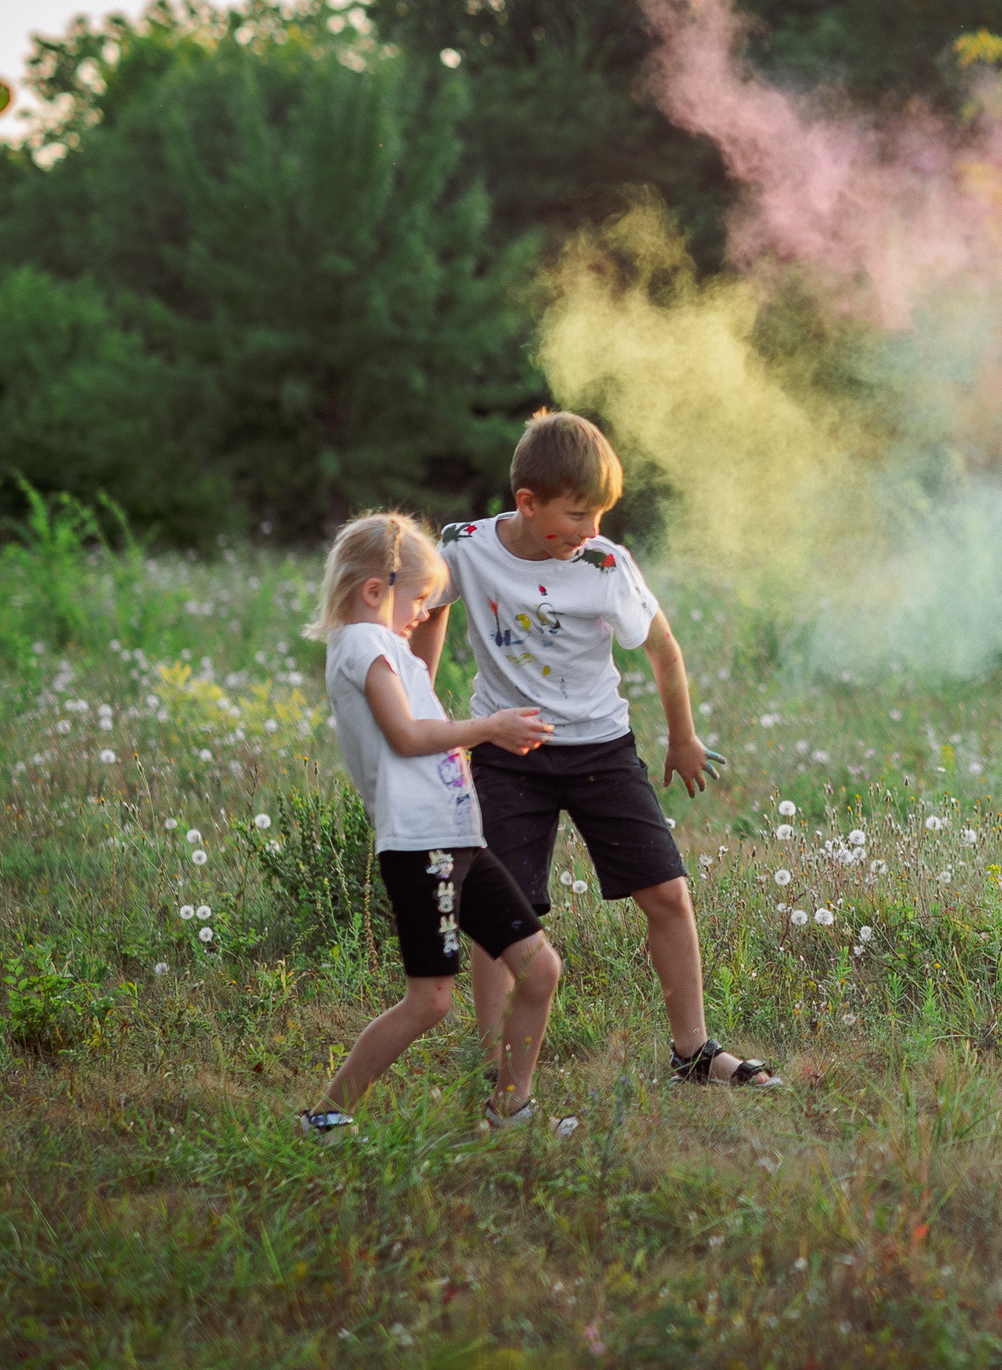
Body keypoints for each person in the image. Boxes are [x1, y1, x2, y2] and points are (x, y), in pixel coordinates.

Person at [416, 411, 781, 1089]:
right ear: (528, 503)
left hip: (602, 748)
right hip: (507, 750)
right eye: (580, 514)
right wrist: (424, 710)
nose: (593, 531)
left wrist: (684, 735)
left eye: (601, 515)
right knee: (503, 908)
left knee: (668, 893)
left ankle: (693, 1051)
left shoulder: (605, 562)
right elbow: (431, 608)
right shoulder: (465, 546)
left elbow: (663, 647)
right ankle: (493, 1061)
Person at [300, 512, 564, 1138]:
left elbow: (421, 680)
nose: (424, 609)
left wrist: (441, 588)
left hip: (459, 840)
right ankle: (325, 1116)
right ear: (374, 591)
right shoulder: (362, 645)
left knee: (540, 969)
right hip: (422, 849)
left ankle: (510, 1111)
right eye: (416, 599)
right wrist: (490, 728)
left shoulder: (389, 647)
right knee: (431, 999)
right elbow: (408, 734)